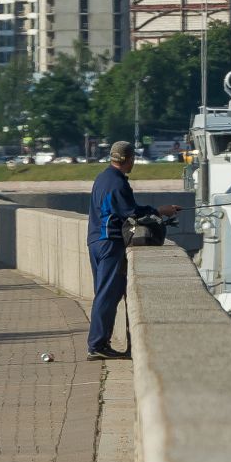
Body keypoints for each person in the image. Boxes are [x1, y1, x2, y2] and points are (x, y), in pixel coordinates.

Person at [86, 140, 179, 361]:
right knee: (108, 295)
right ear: (129, 159)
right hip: (110, 243)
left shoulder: (102, 178)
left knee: (104, 293)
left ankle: (100, 343)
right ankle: (97, 345)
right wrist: (160, 211)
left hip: (95, 241)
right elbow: (131, 213)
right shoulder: (118, 183)